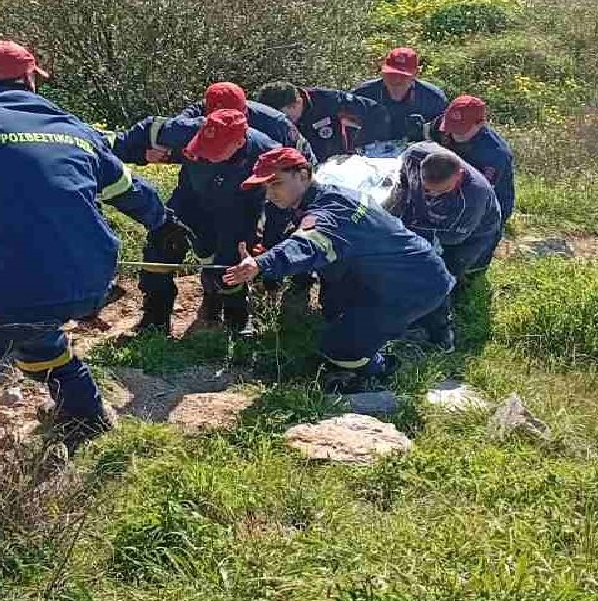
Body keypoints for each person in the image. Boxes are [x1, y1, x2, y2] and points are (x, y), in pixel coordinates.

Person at [0, 40, 186, 476]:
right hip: (91, 279)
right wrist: (162, 223)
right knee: (32, 330)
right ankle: (86, 414)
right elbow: (131, 191)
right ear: (32, 80)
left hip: (11, 284)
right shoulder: (76, 129)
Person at [224, 148, 454, 392]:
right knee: (334, 303)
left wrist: (261, 264)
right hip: (416, 267)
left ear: (303, 175)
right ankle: (432, 326)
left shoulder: (329, 215)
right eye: (266, 188)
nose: (270, 194)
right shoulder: (333, 193)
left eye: (276, 183)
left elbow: (310, 241)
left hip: (409, 288)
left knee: (338, 348)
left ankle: (383, 368)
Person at [119, 108, 279, 335]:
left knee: (229, 262)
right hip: (189, 201)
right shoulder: (185, 129)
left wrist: (264, 237)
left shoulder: (267, 153)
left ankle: (238, 318)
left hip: (237, 212)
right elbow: (142, 133)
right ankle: (155, 318)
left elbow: (288, 194)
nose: (205, 156)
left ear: (239, 142)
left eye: (214, 152)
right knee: (160, 247)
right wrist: (138, 153)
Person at [384, 143, 501, 352]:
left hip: (467, 235)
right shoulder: (415, 156)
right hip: (424, 221)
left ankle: (440, 335)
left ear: (459, 175)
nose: (432, 195)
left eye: (440, 192)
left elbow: (451, 238)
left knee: (439, 275)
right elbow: (403, 182)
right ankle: (412, 314)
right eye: (426, 189)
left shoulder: (474, 196)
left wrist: (409, 238)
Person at [425, 95, 514, 225]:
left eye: (461, 130)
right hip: (447, 182)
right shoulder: (443, 126)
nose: (454, 134)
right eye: (450, 126)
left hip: (485, 205)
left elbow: (478, 192)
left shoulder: (495, 155)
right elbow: (426, 136)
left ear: (480, 124)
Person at [177, 81, 314, 163]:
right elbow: (174, 129)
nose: (229, 122)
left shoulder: (274, 124)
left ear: (245, 109)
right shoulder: (198, 113)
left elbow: (305, 157)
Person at [255, 80, 389, 162]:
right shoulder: (265, 118)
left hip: (337, 163)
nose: (284, 123)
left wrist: (363, 147)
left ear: (297, 103)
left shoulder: (328, 100)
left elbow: (376, 112)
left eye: (286, 118)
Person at [351, 47, 448, 144]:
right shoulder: (363, 94)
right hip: (367, 155)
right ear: (383, 72)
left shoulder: (433, 98)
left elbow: (444, 137)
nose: (396, 80)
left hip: (416, 154)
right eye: (391, 74)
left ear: (416, 73)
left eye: (403, 75)